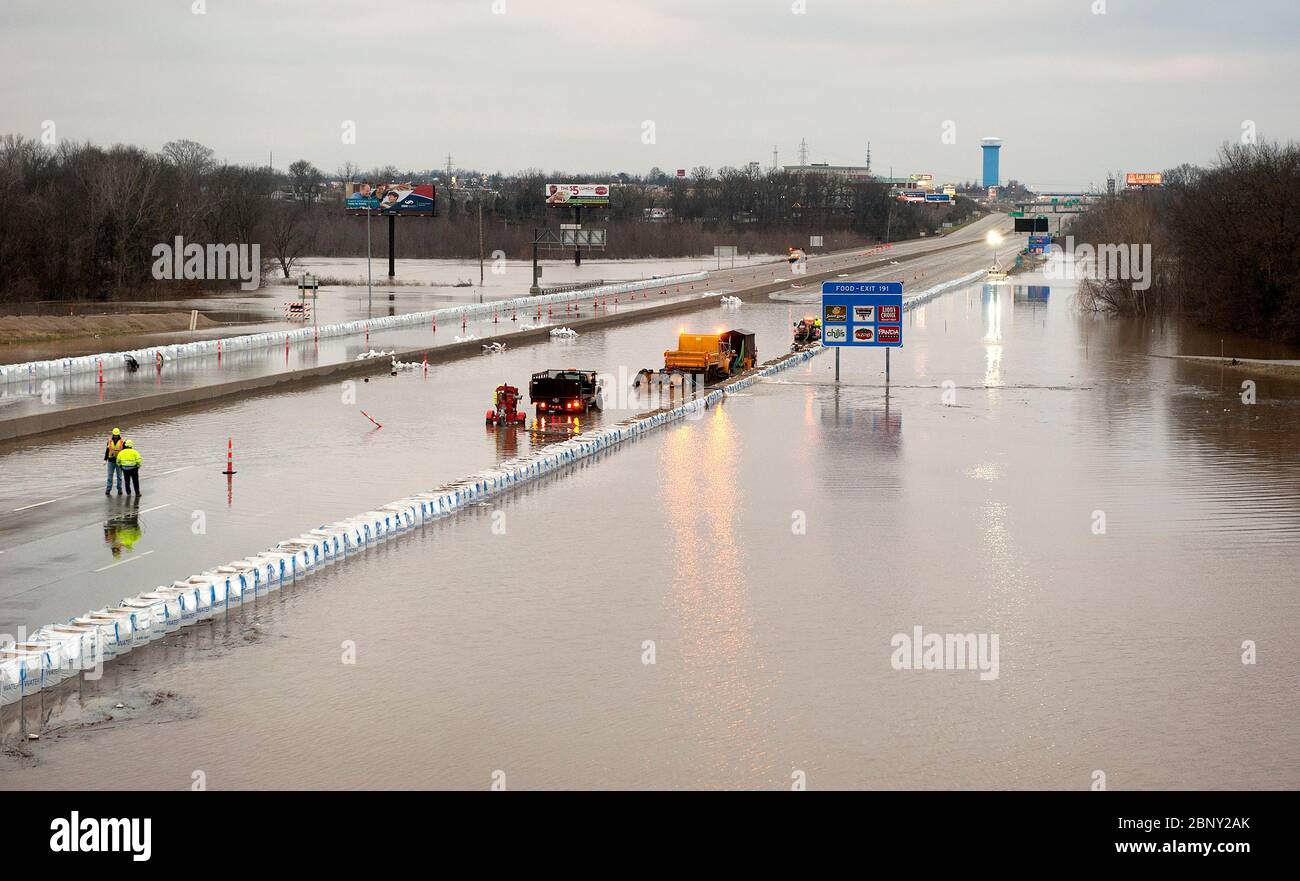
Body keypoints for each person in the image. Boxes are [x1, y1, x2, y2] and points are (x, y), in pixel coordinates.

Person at [104, 428, 126, 495]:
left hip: (119, 462)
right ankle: (108, 489)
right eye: (114, 435)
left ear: (119, 435)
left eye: (117, 435)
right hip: (111, 461)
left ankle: (119, 489)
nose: (116, 436)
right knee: (109, 476)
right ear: (113, 435)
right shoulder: (109, 441)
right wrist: (105, 459)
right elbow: (107, 451)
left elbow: (125, 452)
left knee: (119, 477)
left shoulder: (123, 442)